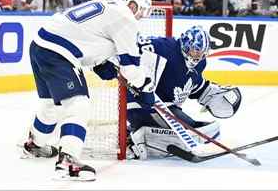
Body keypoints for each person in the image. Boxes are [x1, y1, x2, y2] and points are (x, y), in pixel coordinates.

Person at [21, 0, 152, 181]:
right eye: (141, 11)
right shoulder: (126, 18)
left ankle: (35, 144)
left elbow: (87, 38)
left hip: (40, 46)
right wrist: (145, 83)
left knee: (52, 105)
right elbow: (131, 70)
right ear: (133, 5)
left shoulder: (109, 6)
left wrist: (102, 64)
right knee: (79, 104)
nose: (140, 17)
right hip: (59, 52)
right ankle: (68, 162)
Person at [94, 26, 242, 160]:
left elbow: (192, 85)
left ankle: (141, 135)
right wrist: (109, 62)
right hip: (140, 102)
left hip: (166, 108)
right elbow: (133, 47)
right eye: (195, 50)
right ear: (185, 44)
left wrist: (208, 92)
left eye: (203, 53)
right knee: (191, 130)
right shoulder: (164, 47)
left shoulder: (200, 63)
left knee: (198, 129)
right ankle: (132, 137)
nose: (198, 56)